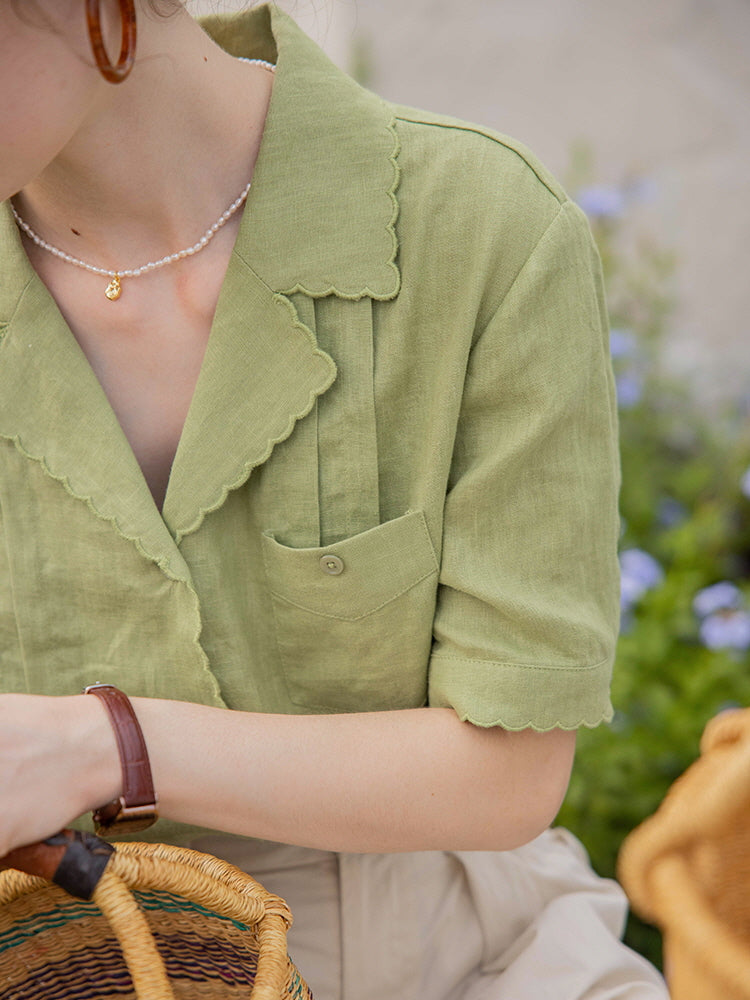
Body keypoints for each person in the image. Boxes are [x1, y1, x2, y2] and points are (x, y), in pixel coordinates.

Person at [0, 0, 668, 996]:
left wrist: (103, 747)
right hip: (65, 958)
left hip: (465, 955)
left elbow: (509, 774)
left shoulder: (479, 228)